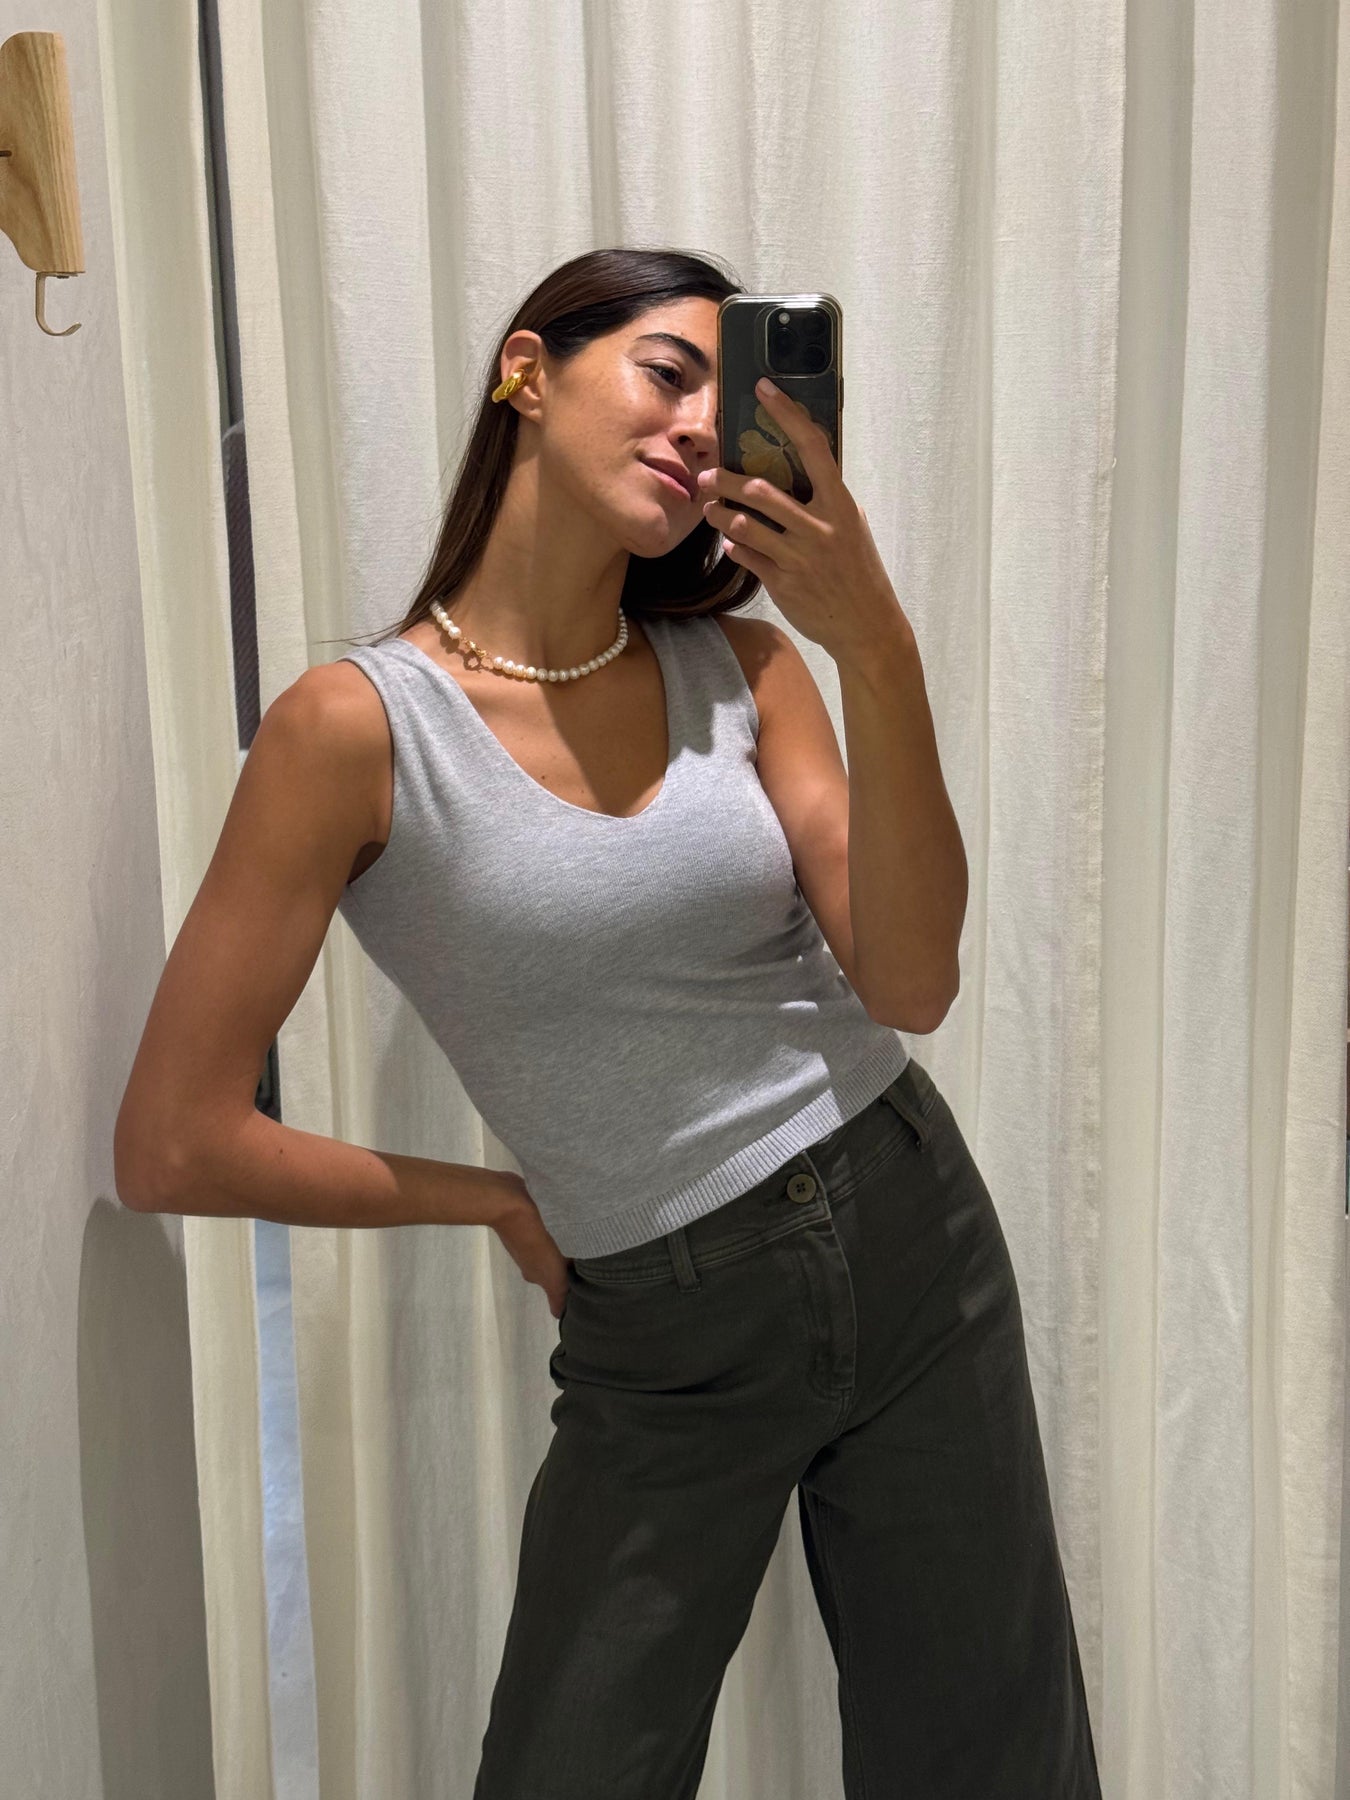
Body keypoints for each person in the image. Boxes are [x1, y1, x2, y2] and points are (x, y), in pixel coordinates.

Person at [115, 246, 1101, 1798]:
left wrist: (877, 646)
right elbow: (174, 1143)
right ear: (528, 371)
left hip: (913, 1236)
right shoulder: (355, 730)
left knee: (987, 1760)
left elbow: (910, 984)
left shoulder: (747, 669)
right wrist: (498, 1199)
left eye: (726, 393)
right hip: (663, 1314)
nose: (701, 425)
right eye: (665, 372)